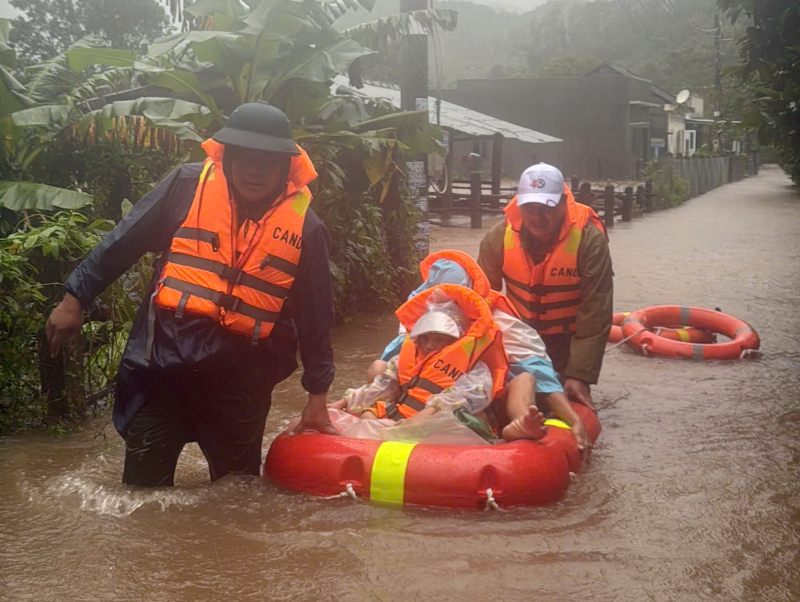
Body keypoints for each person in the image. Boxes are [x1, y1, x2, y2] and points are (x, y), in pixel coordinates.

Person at [45, 103, 337, 487]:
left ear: (286, 166)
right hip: (161, 370)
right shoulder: (185, 187)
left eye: (266, 161)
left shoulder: (306, 226)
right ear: (227, 155)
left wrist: (318, 395)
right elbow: (124, 240)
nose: (253, 169)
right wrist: (74, 298)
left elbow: (316, 314)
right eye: (244, 157)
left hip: (241, 382)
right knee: (142, 497)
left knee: (237, 499)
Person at [372, 250, 590, 450]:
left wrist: (574, 419)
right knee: (379, 366)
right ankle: (387, 416)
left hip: (476, 401)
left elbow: (538, 372)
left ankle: (521, 422)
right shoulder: (421, 319)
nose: (443, 310)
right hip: (418, 401)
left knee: (524, 379)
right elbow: (393, 367)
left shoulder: (500, 323)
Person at [478, 163, 613, 412]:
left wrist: (580, 375)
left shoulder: (589, 240)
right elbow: (481, 303)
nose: (538, 217)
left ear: (563, 204)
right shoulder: (497, 237)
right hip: (517, 338)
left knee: (557, 402)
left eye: (547, 208)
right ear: (519, 205)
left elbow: (596, 312)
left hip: (565, 345)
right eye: (530, 207)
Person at [334, 285, 547, 441]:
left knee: (452, 419)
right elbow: (380, 387)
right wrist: (343, 404)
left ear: (456, 340)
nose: (429, 345)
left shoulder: (474, 367)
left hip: (445, 419)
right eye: (425, 338)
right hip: (406, 415)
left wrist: (429, 413)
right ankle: (385, 435)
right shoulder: (404, 360)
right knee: (370, 411)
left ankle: (513, 432)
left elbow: (467, 396)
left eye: (438, 339)